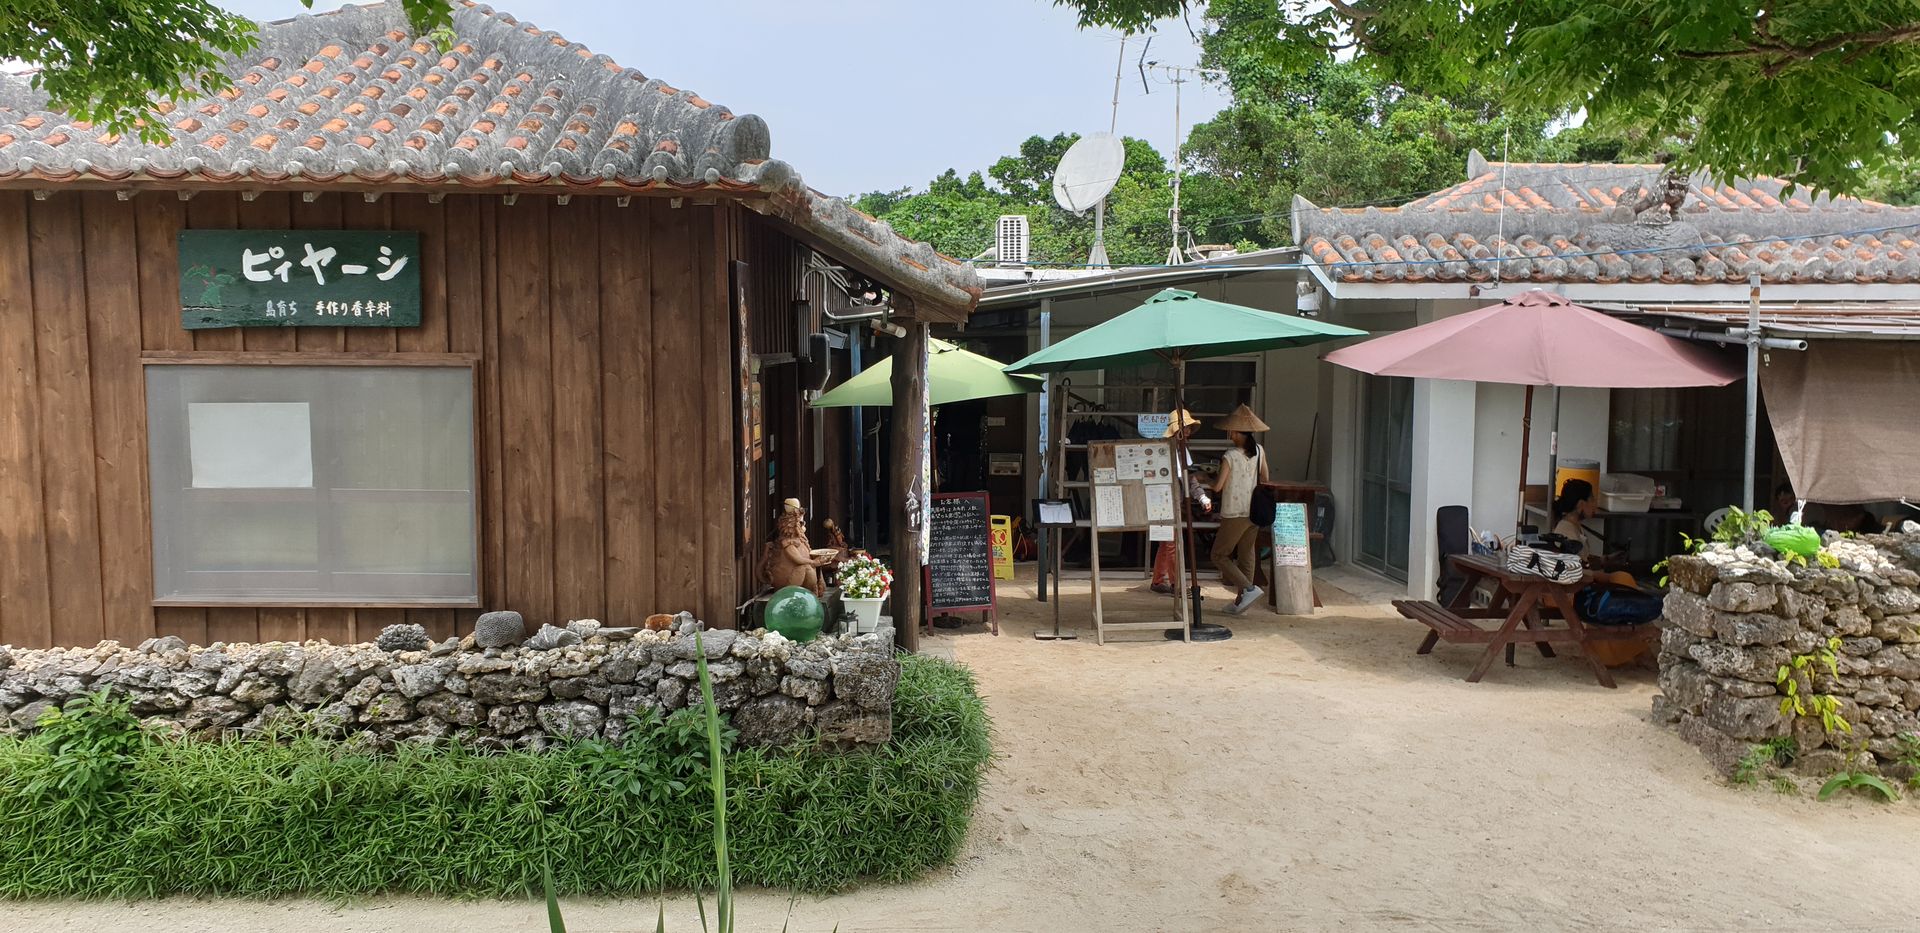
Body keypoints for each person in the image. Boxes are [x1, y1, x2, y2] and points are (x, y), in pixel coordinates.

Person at [1210, 405, 1270, 615]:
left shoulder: (1230, 455)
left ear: (1235, 432)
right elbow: (1266, 478)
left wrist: (1204, 479)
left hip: (1234, 512)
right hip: (1253, 511)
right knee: (1246, 555)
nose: (1229, 433)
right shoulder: (1259, 450)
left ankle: (1249, 589)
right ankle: (1241, 602)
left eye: (1231, 431)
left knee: (1218, 555)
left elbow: (1218, 487)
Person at [1151, 409, 1212, 595]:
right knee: (1172, 544)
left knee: (1167, 543)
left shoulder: (1182, 450)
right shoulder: (1163, 450)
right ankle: (1175, 584)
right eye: (1185, 428)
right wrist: (1201, 496)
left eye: (1189, 428)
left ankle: (1158, 580)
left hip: (1170, 502)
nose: (1188, 431)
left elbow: (1189, 478)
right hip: (1163, 501)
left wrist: (1201, 496)